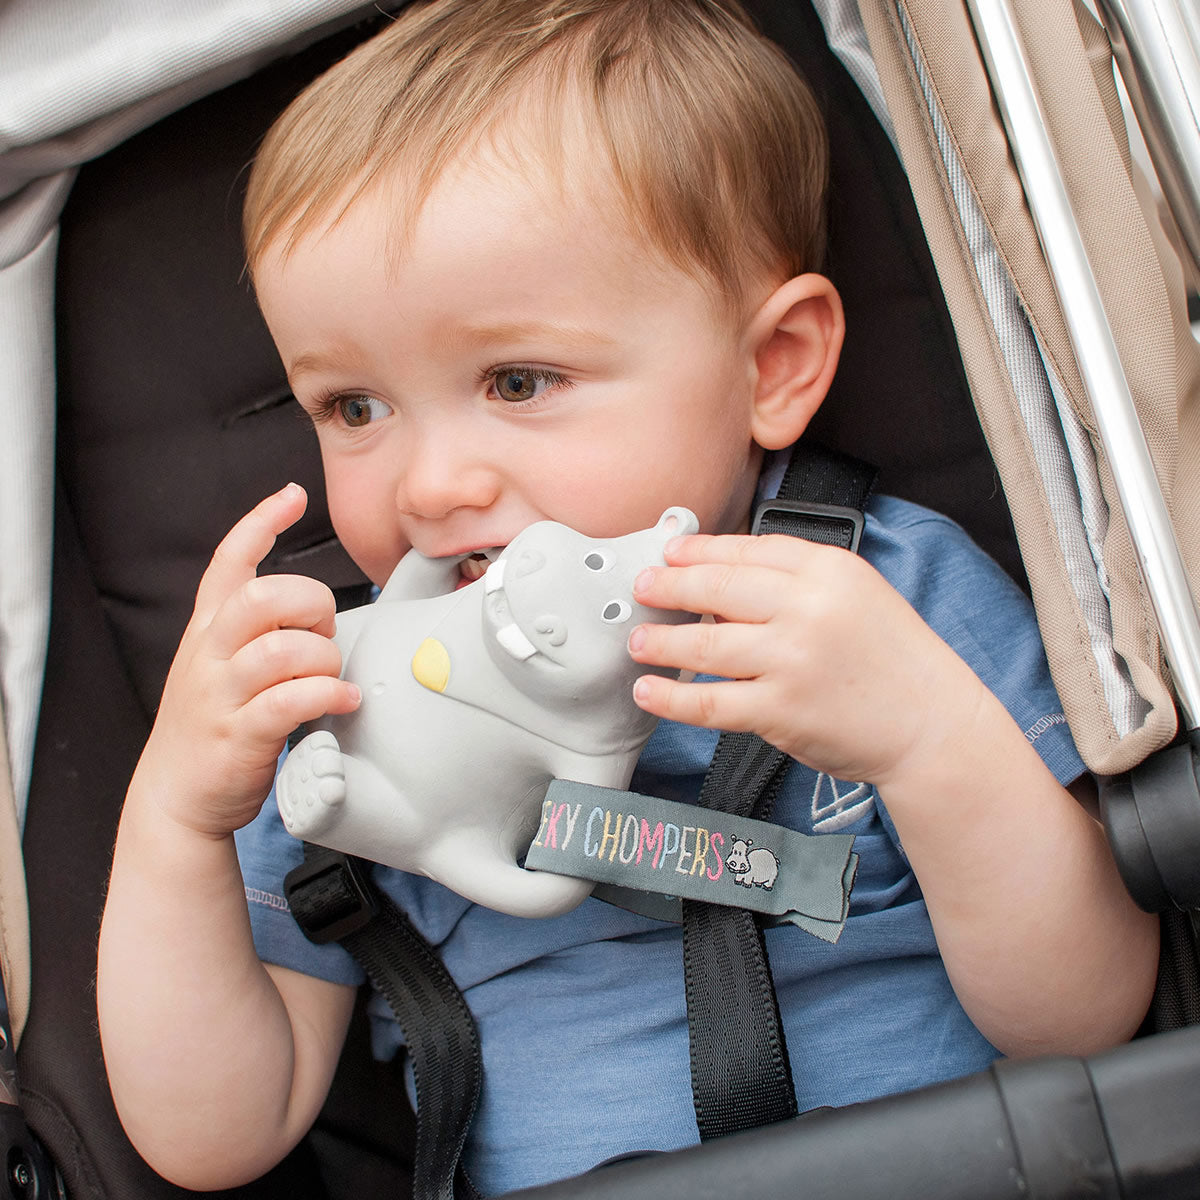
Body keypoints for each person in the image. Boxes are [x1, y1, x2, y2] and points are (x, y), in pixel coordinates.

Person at [95, 0, 1159, 1193]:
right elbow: (211, 1136)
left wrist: (921, 738)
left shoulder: (886, 602)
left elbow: (1087, 1015)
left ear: (772, 368)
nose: (434, 486)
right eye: (353, 409)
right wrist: (178, 816)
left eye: (519, 379)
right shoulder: (339, 712)